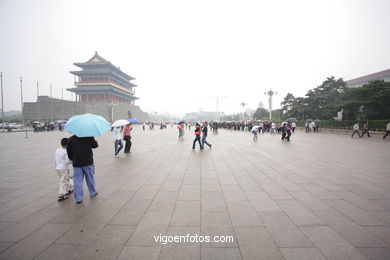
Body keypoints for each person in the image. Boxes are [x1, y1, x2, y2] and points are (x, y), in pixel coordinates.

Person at [67, 135, 99, 204]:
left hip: (77, 163)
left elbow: (69, 152)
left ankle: (78, 198)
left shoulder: (70, 139)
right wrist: (93, 138)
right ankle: (93, 193)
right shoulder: (89, 136)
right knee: (90, 178)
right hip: (88, 161)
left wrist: (73, 158)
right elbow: (95, 145)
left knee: (77, 181)